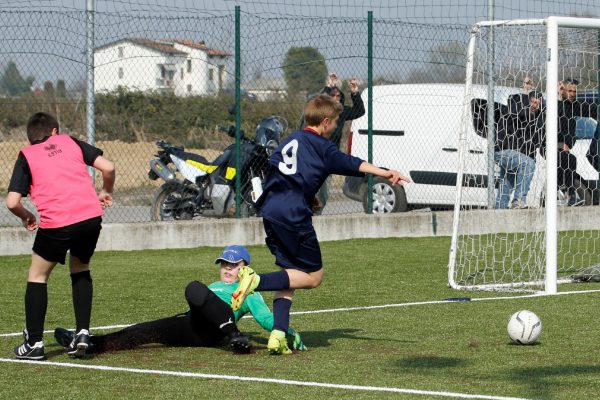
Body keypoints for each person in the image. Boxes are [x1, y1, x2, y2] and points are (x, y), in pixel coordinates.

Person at [231, 94, 410, 355]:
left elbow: (276, 170)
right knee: (313, 277)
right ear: (325, 121)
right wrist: (386, 172)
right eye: (336, 121)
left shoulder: (290, 139)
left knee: (288, 274)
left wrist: (307, 195)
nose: (337, 126)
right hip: (293, 215)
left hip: (271, 211)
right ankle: (254, 280)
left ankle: (278, 335)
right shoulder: (322, 146)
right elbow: (352, 164)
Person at [53, 245, 307, 355]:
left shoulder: (250, 290)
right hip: (192, 326)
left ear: (245, 267)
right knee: (142, 332)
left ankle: (233, 336)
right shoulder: (214, 286)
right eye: (224, 264)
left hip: (219, 330)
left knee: (194, 287)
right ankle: (89, 344)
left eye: (234, 265)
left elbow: (264, 318)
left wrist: (287, 331)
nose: (228, 269)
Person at [6, 112, 116, 360]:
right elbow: (108, 167)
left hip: (57, 223)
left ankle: (34, 343)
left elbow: (12, 202)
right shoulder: (70, 141)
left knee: (37, 275)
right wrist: (106, 190)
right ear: (54, 131)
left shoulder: (27, 155)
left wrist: (26, 216)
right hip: (90, 218)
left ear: (31, 136)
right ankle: (83, 334)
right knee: (80, 268)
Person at [314, 74, 366, 214]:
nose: (336, 96)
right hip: (315, 156)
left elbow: (359, 111)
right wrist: (328, 86)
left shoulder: (341, 113)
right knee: (312, 190)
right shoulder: (319, 112)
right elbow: (316, 101)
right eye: (333, 94)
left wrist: (354, 92)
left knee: (323, 194)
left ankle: (316, 216)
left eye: (338, 95)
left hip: (329, 158)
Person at [495, 91, 545, 209]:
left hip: (517, 157)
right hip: (503, 151)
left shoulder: (539, 120)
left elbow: (540, 142)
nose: (534, 105)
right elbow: (514, 103)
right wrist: (525, 92)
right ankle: (519, 201)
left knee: (507, 183)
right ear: (527, 102)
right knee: (528, 163)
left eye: (537, 103)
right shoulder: (516, 113)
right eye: (532, 102)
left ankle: (499, 212)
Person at [556, 78, 597, 206]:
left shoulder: (574, 106)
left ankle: (568, 195)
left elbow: (592, 109)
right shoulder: (554, 106)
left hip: (565, 149)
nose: (573, 94)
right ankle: (570, 195)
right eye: (569, 91)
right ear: (562, 90)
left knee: (569, 160)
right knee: (570, 160)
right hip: (550, 147)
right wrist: (558, 96)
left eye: (574, 91)